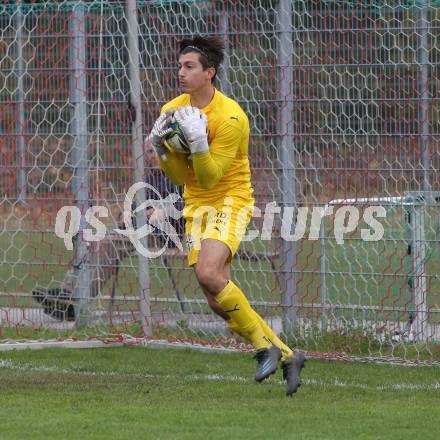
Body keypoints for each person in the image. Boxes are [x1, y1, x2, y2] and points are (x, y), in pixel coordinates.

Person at [147, 35, 305, 396]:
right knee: (216, 299)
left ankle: (263, 347)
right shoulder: (173, 109)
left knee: (207, 271)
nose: (181, 72)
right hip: (195, 206)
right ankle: (287, 355)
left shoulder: (230, 117)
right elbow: (182, 179)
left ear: (210, 73)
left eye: (190, 67)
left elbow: (210, 175)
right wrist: (161, 150)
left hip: (231, 200)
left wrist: (198, 143)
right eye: (180, 65)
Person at [32, 144, 183, 320]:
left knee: (110, 243)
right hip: (140, 233)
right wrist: (129, 215)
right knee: (94, 241)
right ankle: (69, 296)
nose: (154, 156)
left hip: (166, 236)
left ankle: (75, 299)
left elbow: (186, 205)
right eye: (150, 152)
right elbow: (134, 209)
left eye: (158, 150)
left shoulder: (179, 174)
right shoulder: (148, 179)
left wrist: (161, 210)